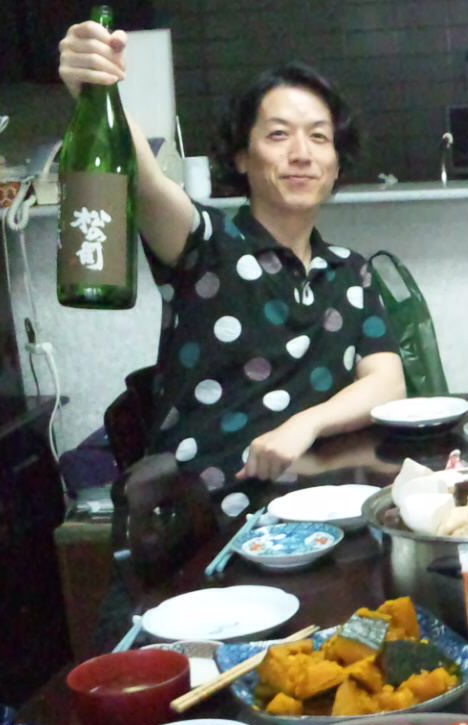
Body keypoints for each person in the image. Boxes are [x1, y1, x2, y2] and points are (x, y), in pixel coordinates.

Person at [58, 22, 406, 521]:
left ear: (336, 163)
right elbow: (146, 182)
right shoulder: (208, 244)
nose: (301, 154)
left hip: (320, 513)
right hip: (211, 522)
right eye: (278, 134)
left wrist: (304, 424)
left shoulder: (350, 272)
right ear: (242, 156)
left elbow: (388, 383)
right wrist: (97, 93)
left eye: (319, 137)